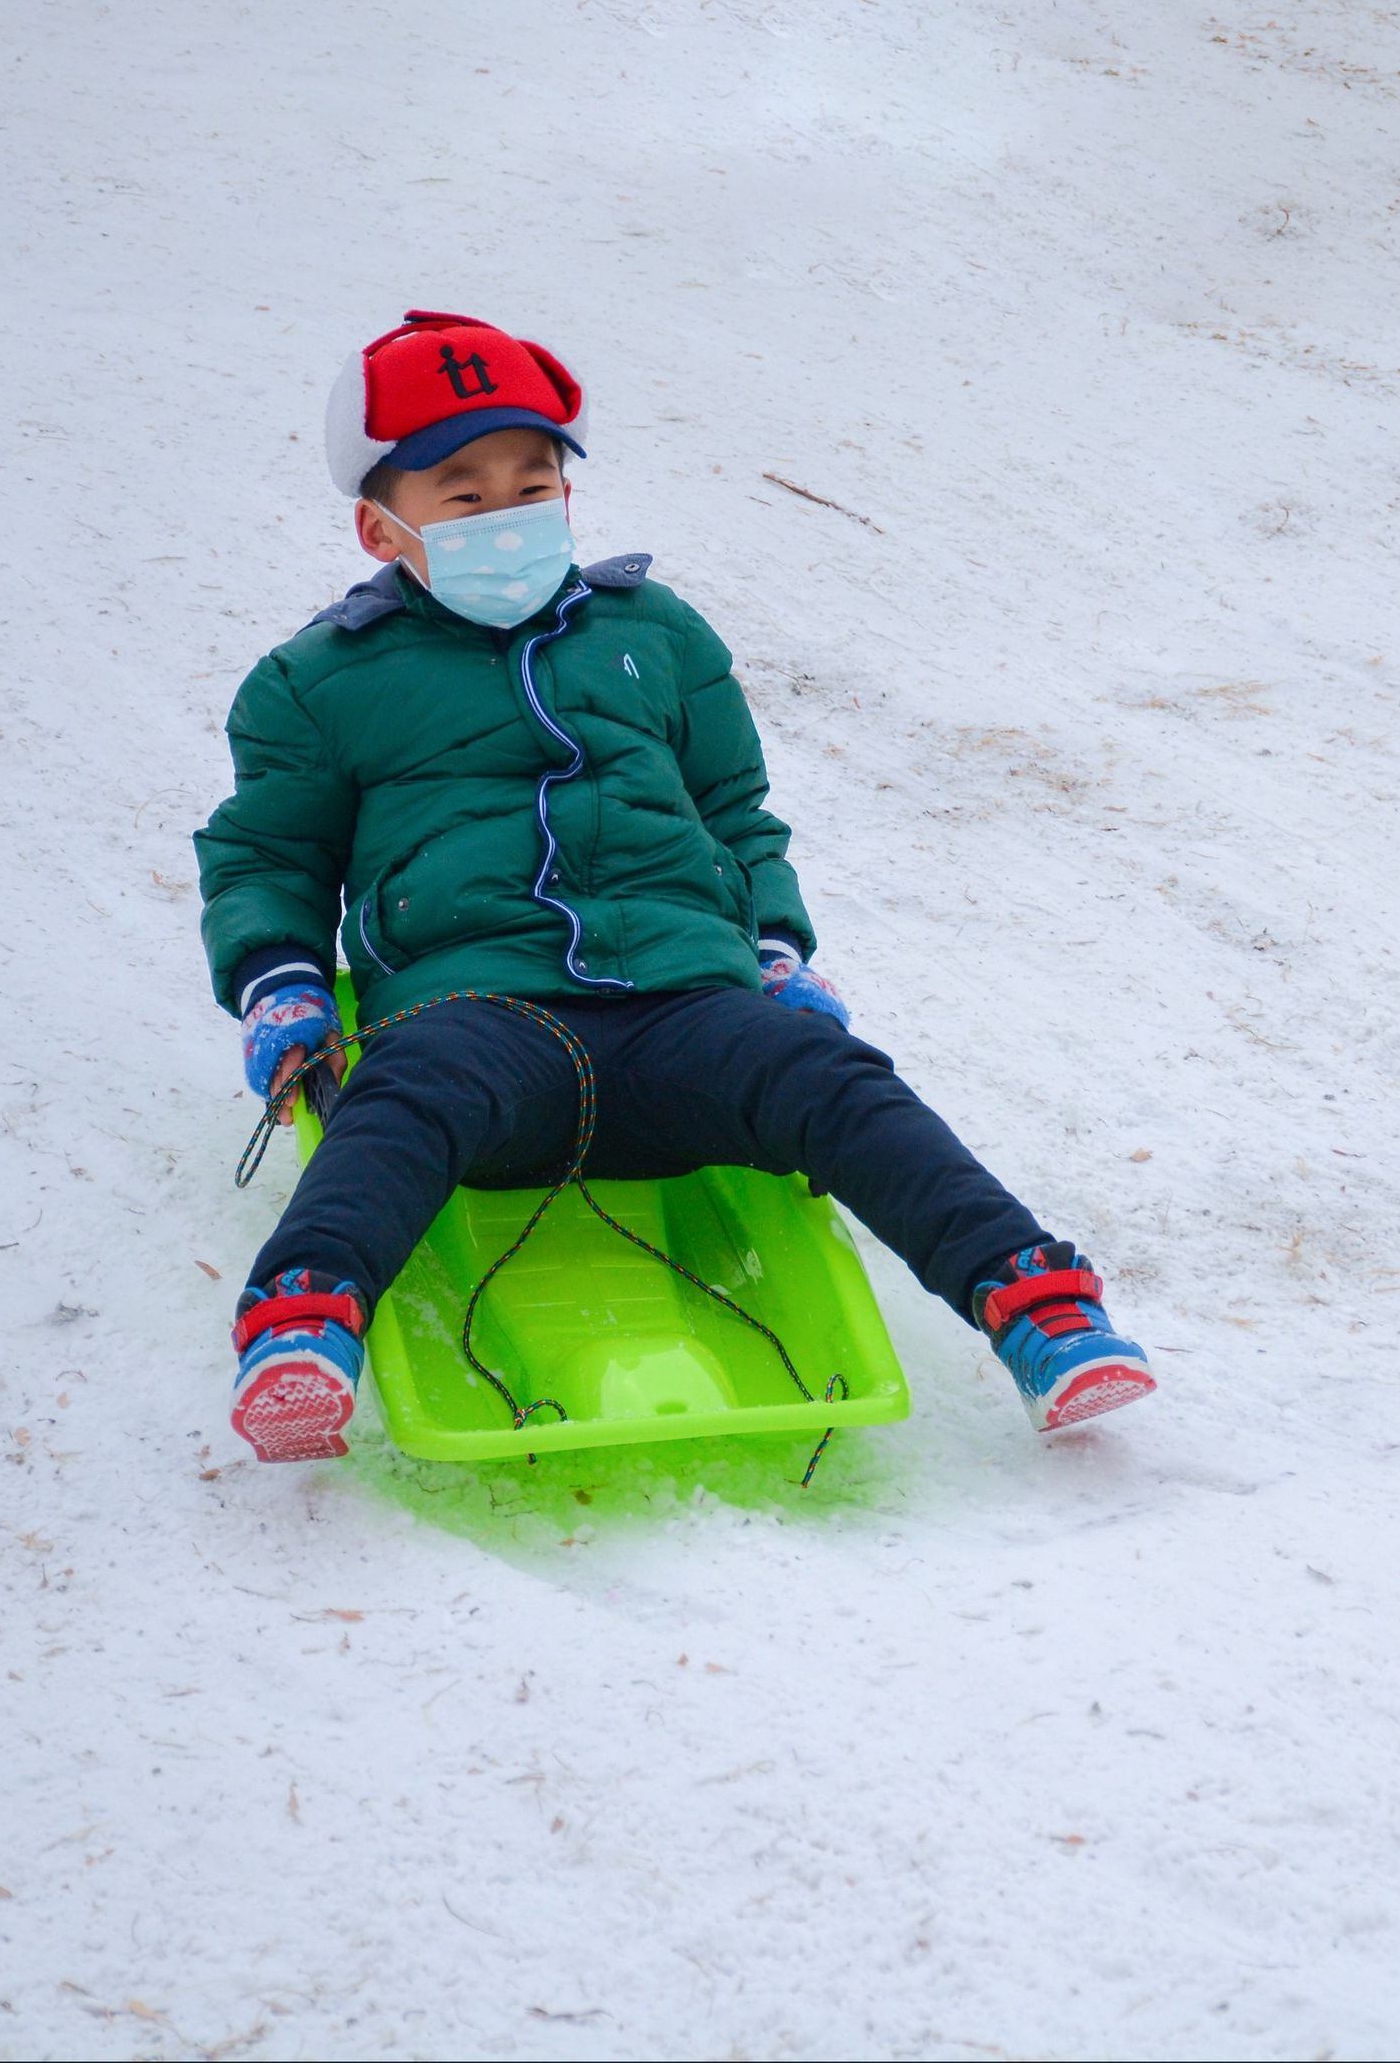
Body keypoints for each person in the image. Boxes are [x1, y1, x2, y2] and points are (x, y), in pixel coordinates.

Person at [192, 311, 1155, 1461]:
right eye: (464, 498)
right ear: (380, 527)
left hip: (686, 1005)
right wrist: (281, 986)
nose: (509, 517)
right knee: (404, 1094)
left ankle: (1035, 1303)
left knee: (830, 1079)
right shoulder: (317, 682)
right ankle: (306, 1318)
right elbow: (268, 855)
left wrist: (774, 953)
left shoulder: (653, 634)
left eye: (533, 486)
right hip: (482, 1012)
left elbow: (733, 817)